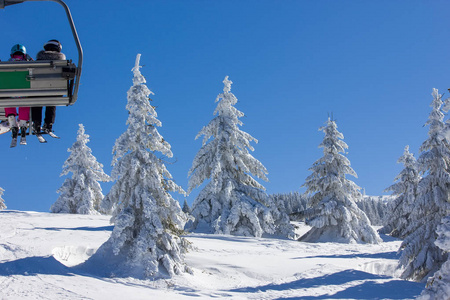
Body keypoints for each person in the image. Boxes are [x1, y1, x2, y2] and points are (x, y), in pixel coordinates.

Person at [31, 40, 66, 134]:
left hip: (38, 90)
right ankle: (48, 123)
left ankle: (36, 122)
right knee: (52, 103)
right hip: (54, 91)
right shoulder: (61, 61)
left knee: (36, 101)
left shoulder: (39, 59)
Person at [5, 44, 32, 140]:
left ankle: (12, 123)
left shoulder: (7, 64)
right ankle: (23, 124)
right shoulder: (28, 64)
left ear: (12, 55)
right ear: (24, 54)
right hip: (23, 93)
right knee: (25, 102)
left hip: (10, 93)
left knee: (7, 101)